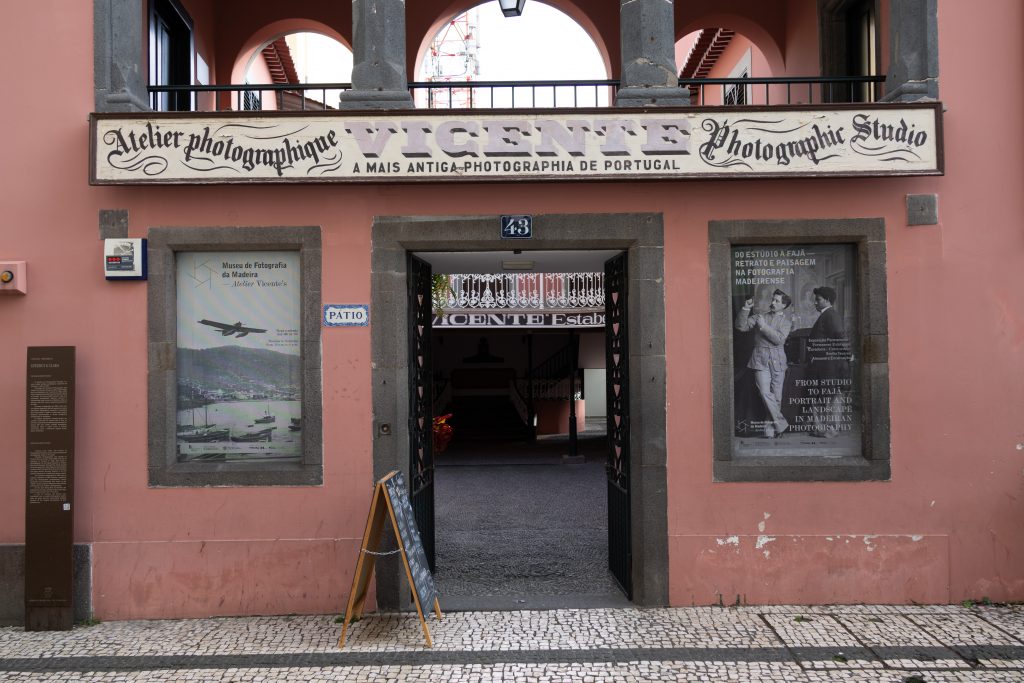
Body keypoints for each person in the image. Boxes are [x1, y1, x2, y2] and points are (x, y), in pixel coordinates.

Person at [735, 289, 793, 438]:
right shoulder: (760, 316)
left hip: (778, 362)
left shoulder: (787, 323)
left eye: (777, 301)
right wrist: (746, 308)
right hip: (760, 360)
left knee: (777, 397)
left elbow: (779, 340)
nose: (772, 303)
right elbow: (740, 326)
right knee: (765, 393)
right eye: (773, 300)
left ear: (784, 305)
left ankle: (770, 431)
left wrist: (763, 326)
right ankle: (781, 424)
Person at [808, 286, 849, 437]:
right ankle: (823, 429)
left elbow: (840, 336)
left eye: (818, 299)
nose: (815, 303)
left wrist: (845, 355)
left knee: (832, 397)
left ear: (827, 300)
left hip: (830, 366)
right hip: (824, 366)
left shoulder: (831, 315)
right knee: (826, 396)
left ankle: (830, 430)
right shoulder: (827, 315)